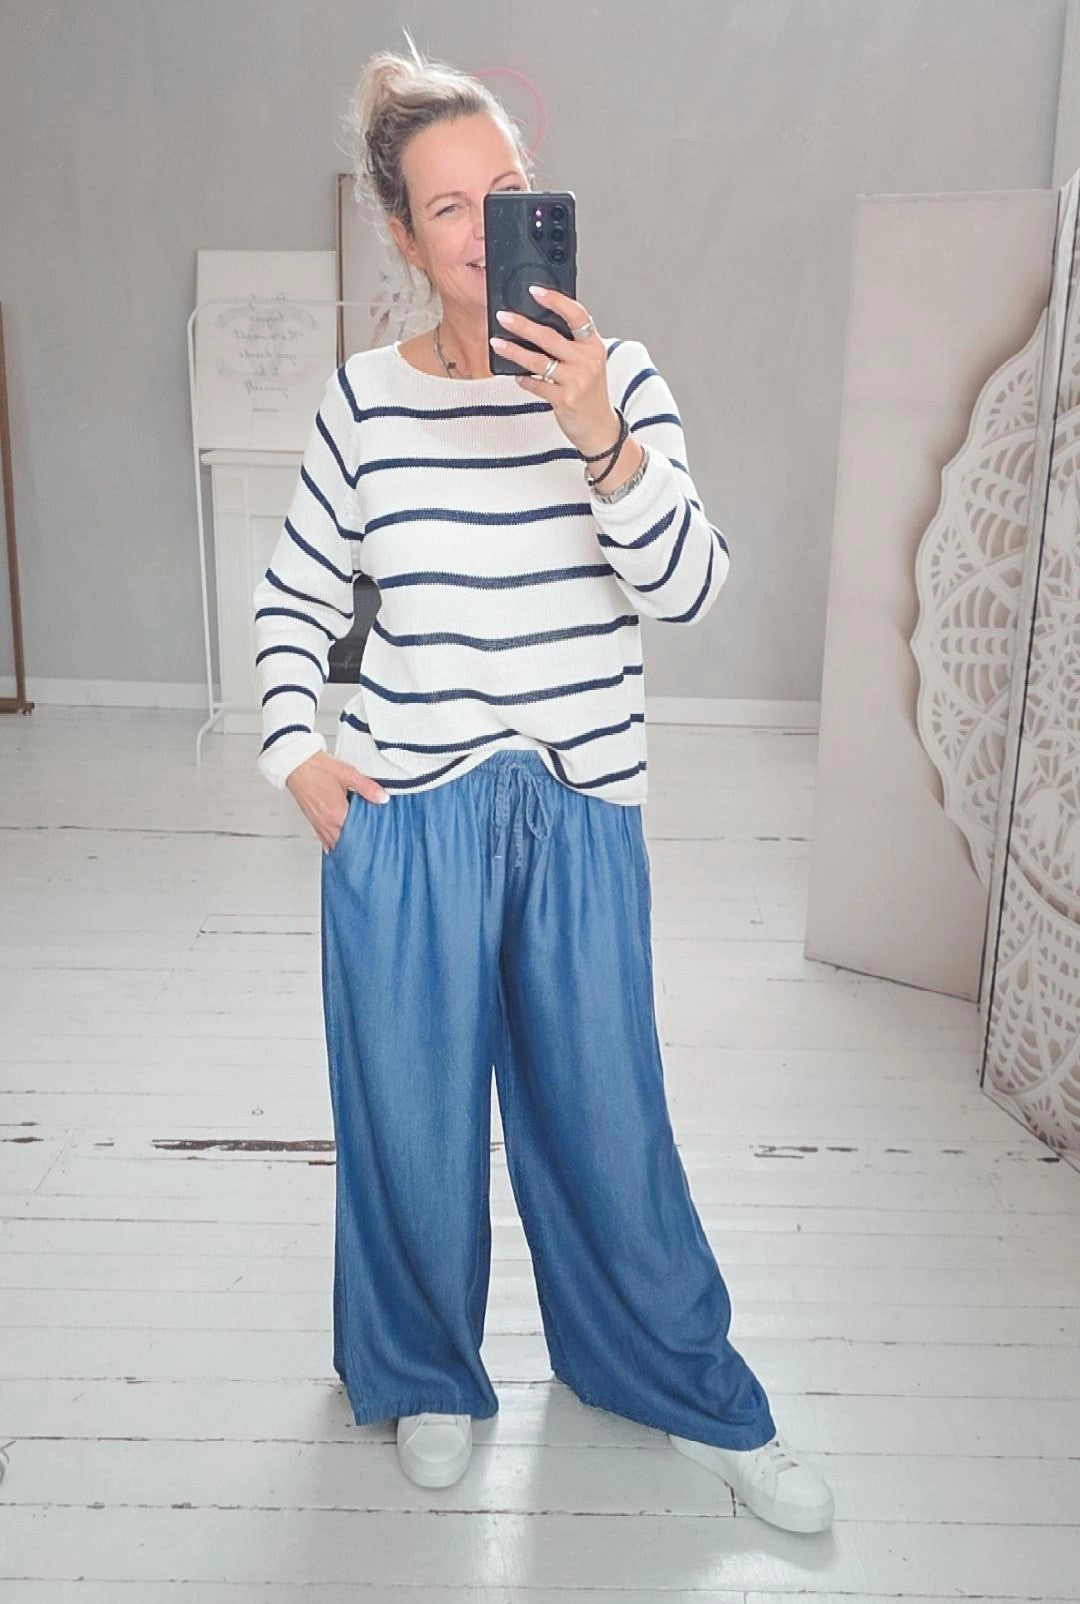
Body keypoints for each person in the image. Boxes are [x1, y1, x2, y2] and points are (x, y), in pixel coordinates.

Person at [251, 32, 834, 1535]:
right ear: (404, 237)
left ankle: (679, 1381)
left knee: (605, 1119)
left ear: (540, 205)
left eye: (504, 192)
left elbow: (690, 590)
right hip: (410, 814)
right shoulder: (363, 404)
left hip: (581, 809)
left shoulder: (617, 380)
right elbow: (293, 599)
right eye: (448, 206)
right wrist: (296, 751)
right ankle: (428, 1377)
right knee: (408, 1115)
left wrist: (599, 438)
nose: (482, 227)